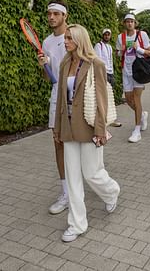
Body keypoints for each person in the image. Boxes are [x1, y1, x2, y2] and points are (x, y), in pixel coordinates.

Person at [54, 24, 120, 242]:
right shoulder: (65, 63)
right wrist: (57, 127)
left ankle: (111, 192)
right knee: (73, 178)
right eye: (65, 38)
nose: (66, 42)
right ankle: (76, 224)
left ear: (80, 40)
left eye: (70, 38)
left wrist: (101, 129)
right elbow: (61, 98)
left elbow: (101, 100)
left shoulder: (96, 64)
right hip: (68, 127)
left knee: (92, 172)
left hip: (90, 125)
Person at [38, 0, 69, 214]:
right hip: (56, 95)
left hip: (75, 95)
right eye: (49, 13)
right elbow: (48, 78)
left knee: (80, 144)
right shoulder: (47, 42)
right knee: (58, 142)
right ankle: (66, 192)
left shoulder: (74, 35)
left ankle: (95, 181)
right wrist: (44, 66)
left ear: (64, 16)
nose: (51, 17)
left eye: (56, 14)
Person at [115, 14, 150, 143]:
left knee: (137, 99)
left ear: (135, 23)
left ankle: (137, 130)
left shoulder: (142, 35)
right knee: (128, 100)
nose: (130, 23)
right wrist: (120, 51)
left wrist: (140, 49)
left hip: (139, 71)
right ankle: (142, 114)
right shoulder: (120, 37)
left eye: (132, 21)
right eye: (127, 21)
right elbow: (118, 54)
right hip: (126, 72)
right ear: (124, 23)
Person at [94, 28, 122, 127]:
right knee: (103, 97)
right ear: (102, 35)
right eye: (105, 35)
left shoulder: (110, 47)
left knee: (110, 97)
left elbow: (110, 61)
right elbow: (97, 61)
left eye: (108, 35)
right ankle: (103, 119)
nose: (107, 36)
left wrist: (112, 73)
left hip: (111, 73)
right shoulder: (98, 46)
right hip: (103, 73)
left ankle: (111, 119)